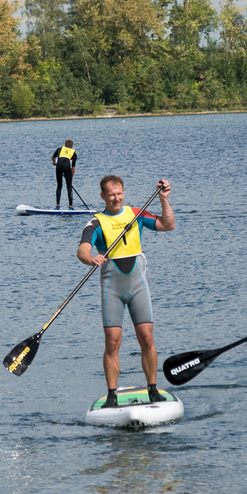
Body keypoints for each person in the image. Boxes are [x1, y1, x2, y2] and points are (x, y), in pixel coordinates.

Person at [77, 176, 175, 408]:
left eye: (119, 193)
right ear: (103, 196)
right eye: (111, 194)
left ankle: (153, 390)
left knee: (147, 337)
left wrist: (164, 199)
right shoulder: (96, 223)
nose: (116, 198)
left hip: (138, 286)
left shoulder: (136, 213)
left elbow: (168, 224)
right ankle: (112, 396)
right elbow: (82, 250)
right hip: (112, 289)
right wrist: (91, 259)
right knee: (112, 342)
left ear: (123, 193)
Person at [52, 139, 77, 209]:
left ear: (65, 145)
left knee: (59, 186)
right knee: (69, 186)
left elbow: (53, 157)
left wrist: (54, 163)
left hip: (59, 166)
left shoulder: (59, 149)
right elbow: (73, 168)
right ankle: (71, 206)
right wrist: (70, 178)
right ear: (72, 146)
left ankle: (58, 205)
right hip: (67, 167)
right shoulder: (73, 153)